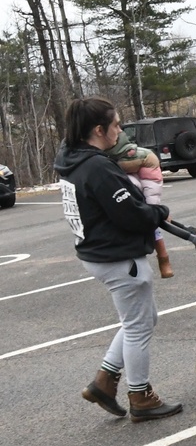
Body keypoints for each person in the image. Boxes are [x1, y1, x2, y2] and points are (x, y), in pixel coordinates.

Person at [54, 97, 183, 422]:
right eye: (115, 125)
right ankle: (141, 396)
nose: (119, 130)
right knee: (139, 326)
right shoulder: (97, 167)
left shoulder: (72, 160)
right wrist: (158, 211)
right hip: (118, 256)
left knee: (142, 319)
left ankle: (104, 381)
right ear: (98, 130)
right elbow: (131, 215)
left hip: (96, 252)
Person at [106, 132, 173, 278]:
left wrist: (155, 209)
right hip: (135, 192)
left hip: (145, 186)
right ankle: (162, 258)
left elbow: (152, 187)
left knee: (154, 228)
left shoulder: (137, 156)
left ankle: (164, 259)